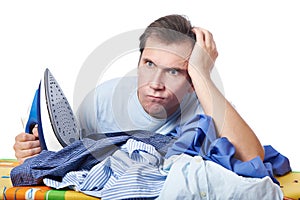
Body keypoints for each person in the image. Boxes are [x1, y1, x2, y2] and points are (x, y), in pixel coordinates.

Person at [13, 14, 264, 164]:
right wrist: (32, 152)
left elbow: (253, 158)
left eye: (174, 71)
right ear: (138, 61)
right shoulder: (102, 100)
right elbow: (67, 157)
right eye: (150, 64)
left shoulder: (204, 108)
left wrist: (204, 76)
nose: (155, 83)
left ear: (191, 82)